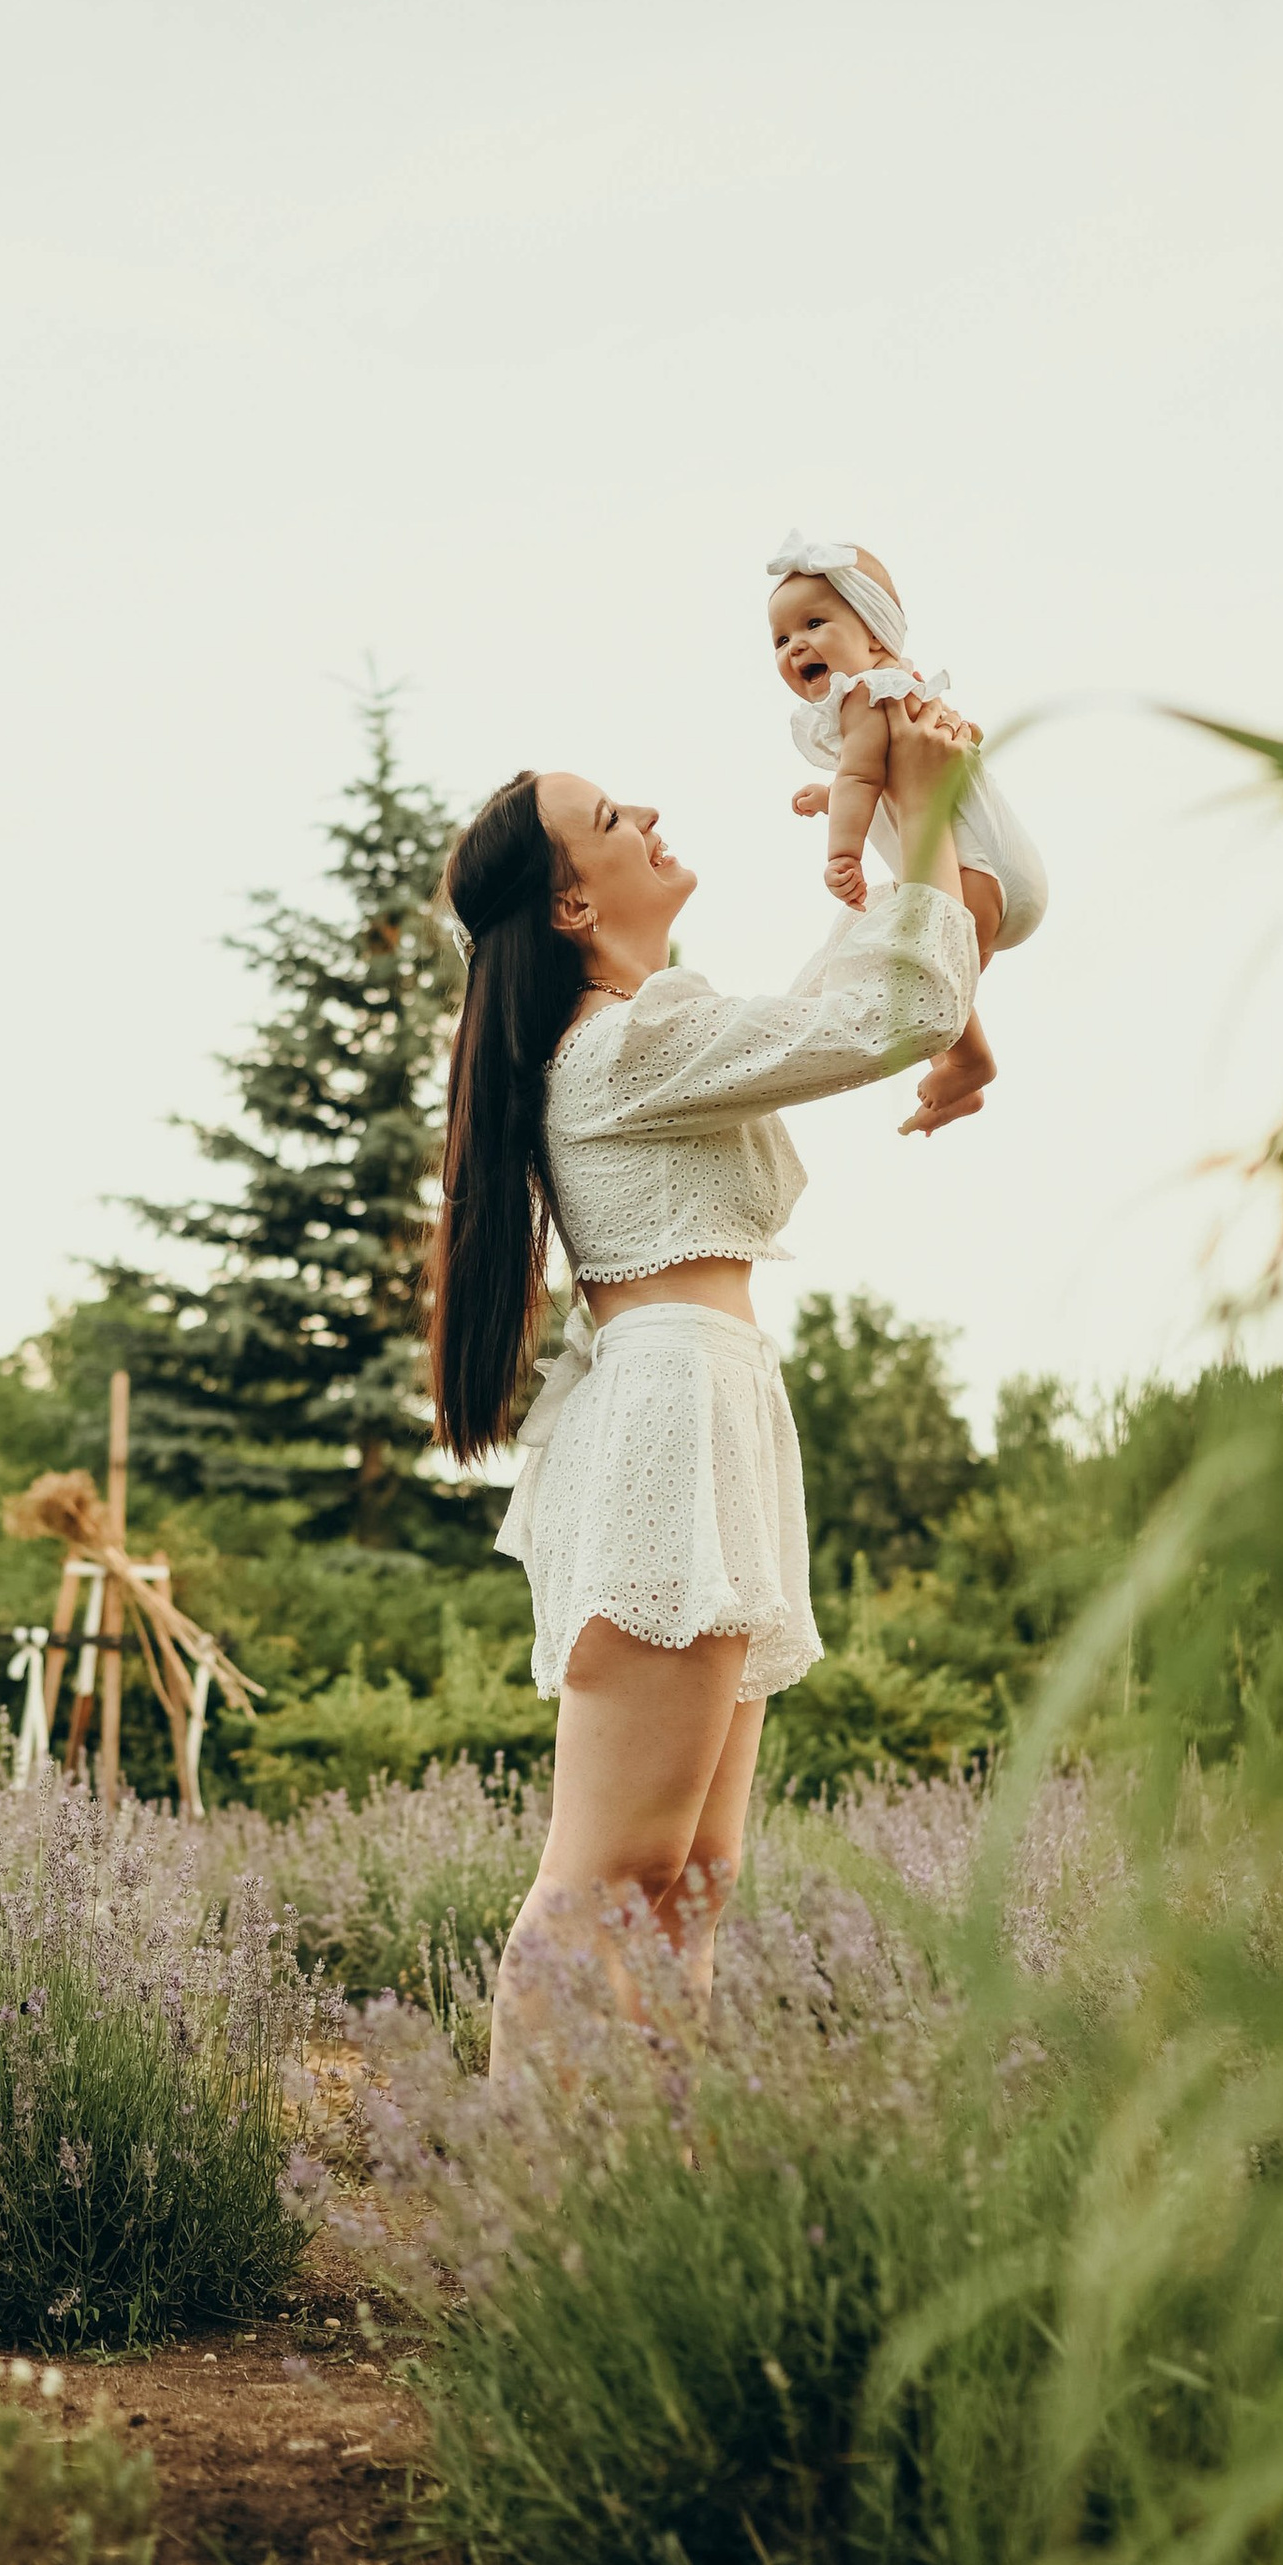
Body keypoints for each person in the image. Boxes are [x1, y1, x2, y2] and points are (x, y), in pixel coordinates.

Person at [428, 696, 981, 2088]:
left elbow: (833, 1009)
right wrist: (925, 822)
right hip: (670, 1415)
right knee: (611, 1873)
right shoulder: (622, 1047)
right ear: (569, 901)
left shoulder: (648, 1032)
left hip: (714, 1404)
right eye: (612, 818)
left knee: (694, 1876)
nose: (650, 816)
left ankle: (653, 2176)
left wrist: (906, 831)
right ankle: (530, 2189)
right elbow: (888, 1009)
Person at [767, 529, 1049, 1138]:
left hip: (972, 873)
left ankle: (970, 1063)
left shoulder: (864, 695)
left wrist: (842, 851)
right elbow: (885, 779)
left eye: (814, 624)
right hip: (997, 868)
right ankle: (958, 1068)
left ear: (873, 634)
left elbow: (863, 776)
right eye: (781, 638)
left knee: (920, 966)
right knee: (934, 972)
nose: (796, 646)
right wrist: (833, 796)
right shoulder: (904, 686)